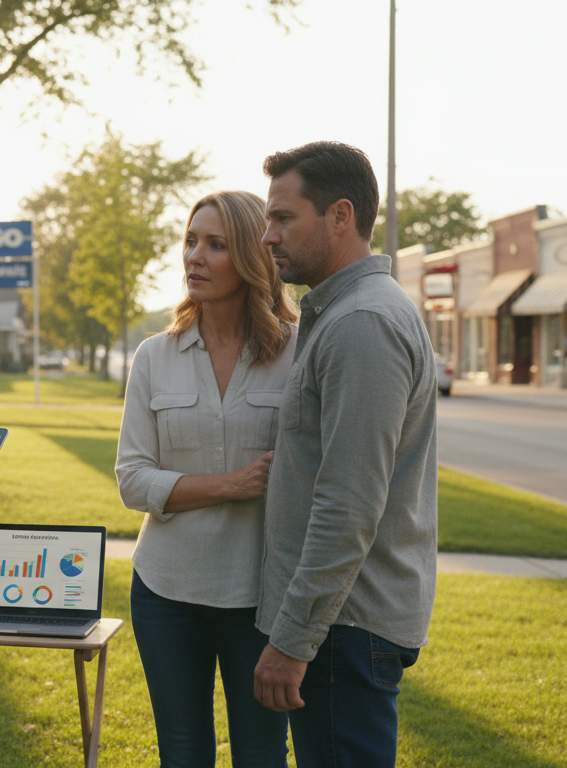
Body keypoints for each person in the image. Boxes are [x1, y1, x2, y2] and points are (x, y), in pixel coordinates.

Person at [251, 141, 438, 767]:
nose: (267, 236)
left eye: (282, 219)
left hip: (342, 628)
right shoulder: (339, 313)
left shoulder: (362, 324)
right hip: (339, 624)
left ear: (340, 216)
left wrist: (294, 640)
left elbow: (350, 501)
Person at [115, 190, 298, 767]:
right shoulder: (154, 356)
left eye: (215, 245)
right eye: (191, 241)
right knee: (183, 752)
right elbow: (132, 480)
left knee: (261, 754)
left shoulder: (300, 352)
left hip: (260, 598)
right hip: (166, 592)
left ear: (251, 256)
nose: (195, 256)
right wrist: (230, 484)